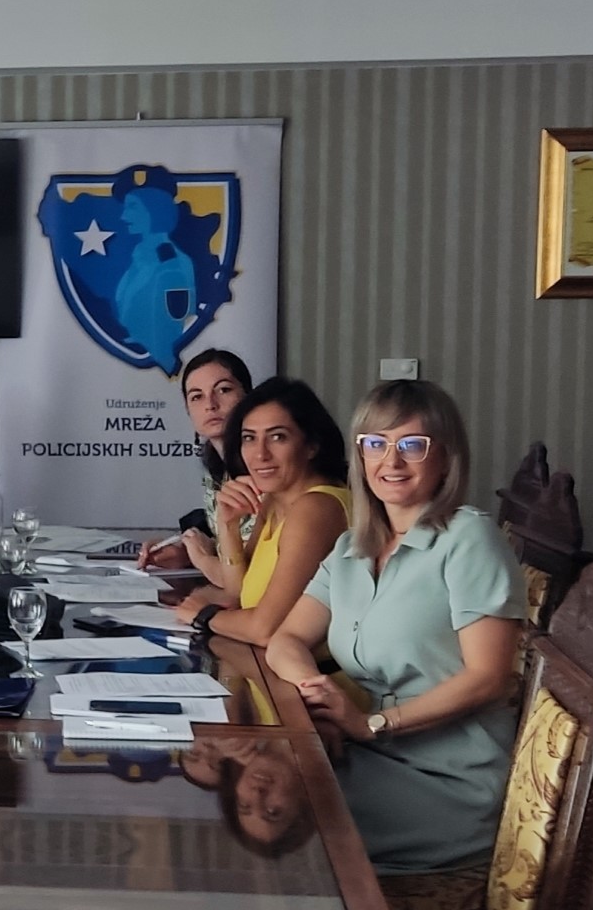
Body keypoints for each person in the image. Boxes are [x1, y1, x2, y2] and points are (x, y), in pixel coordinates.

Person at [265, 380, 523, 874]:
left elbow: (488, 678)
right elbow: (286, 640)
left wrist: (371, 724)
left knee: (285, 819)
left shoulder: (469, 538)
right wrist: (317, 694)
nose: (392, 460)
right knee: (261, 791)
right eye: (375, 444)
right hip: (374, 754)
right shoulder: (350, 549)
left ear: (445, 458)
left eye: (412, 445)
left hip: (448, 779)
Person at [173, 378, 350, 646]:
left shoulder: (316, 507)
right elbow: (239, 592)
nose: (260, 454)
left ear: (312, 445)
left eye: (277, 437)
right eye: (249, 438)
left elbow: (266, 629)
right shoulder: (274, 498)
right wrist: (227, 524)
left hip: (312, 671)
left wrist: (204, 615)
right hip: (264, 664)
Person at [136, 348, 252, 576]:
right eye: (197, 396)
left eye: (224, 390)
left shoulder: (265, 466)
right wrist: (184, 553)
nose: (210, 404)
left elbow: (249, 577)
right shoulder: (215, 468)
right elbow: (229, 549)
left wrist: (201, 559)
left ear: (249, 397)